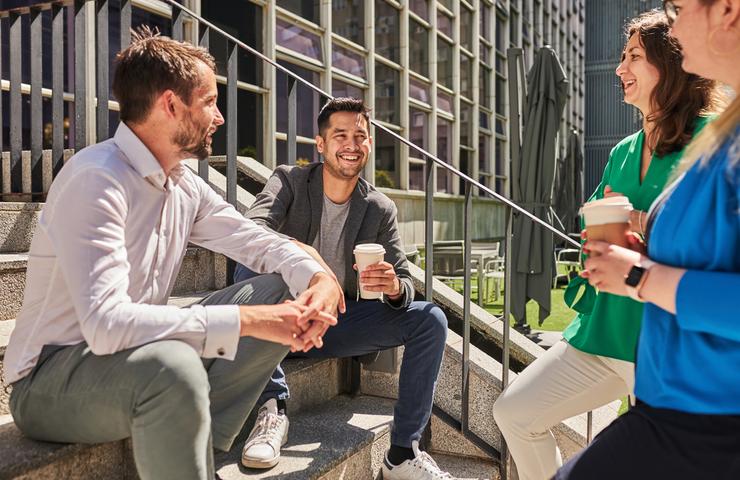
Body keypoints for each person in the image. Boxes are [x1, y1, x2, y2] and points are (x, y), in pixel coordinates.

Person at [3, 29, 342, 480]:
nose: (219, 117)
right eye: (209, 101)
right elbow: (106, 327)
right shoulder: (97, 179)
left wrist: (317, 277)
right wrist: (250, 321)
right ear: (170, 105)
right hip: (51, 378)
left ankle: (184, 434)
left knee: (281, 285)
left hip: (142, 357)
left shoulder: (182, 184)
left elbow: (258, 241)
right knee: (175, 367)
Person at [492, 10, 725, 480]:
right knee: (514, 412)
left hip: (663, 343)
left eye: (634, 57)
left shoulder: (713, 139)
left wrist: (639, 223)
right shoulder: (622, 150)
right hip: (601, 333)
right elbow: (595, 222)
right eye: (620, 57)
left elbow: (707, 242)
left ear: (673, 63)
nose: (620, 69)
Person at [554, 0, 740, 478]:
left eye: (678, 8)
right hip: (670, 413)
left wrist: (638, 275)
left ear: (728, 11)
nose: (673, 24)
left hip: (709, 424)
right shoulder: (723, 136)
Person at [231, 97, 451, 480]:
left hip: (335, 324)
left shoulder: (378, 207)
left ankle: (401, 454)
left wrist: (394, 287)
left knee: (430, 318)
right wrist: (304, 254)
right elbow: (251, 231)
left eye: (360, 136)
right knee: (251, 261)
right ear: (320, 144)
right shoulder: (289, 180)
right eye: (340, 135)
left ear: (368, 144)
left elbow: (406, 282)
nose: (351, 144)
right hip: (279, 317)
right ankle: (272, 409)